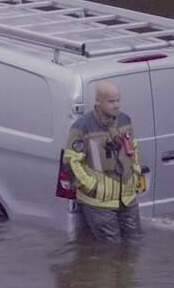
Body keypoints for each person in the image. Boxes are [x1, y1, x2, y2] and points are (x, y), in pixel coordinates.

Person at [62, 81, 146, 243]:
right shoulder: (82, 127)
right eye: (111, 101)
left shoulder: (124, 120)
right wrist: (91, 186)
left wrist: (135, 173)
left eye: (118, 100)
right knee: (110, 249)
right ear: (98, 102)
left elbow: (133, 148)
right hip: (99, 202)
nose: (116, 105)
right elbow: (71, 163)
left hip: (128, 198)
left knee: (135, 243)